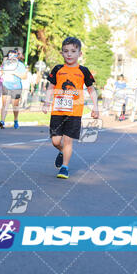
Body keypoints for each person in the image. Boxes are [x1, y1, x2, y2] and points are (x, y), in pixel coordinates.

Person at [43, 37, 99, 179]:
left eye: (73, 51)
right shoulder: (57, 69)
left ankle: (64, 168)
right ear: (62, 53)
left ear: (79, 54)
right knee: (56, 141)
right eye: (66, 51)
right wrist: (46, 102)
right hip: (58, 110)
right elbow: (51, 87)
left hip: (74, 112)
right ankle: (62, 151)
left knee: (68, 140)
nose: (69, 54)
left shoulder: (83, 71)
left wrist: (96, 107)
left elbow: (91, 90)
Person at [0, 50, 28, 129]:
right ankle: (2, 121)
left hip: (16, 87)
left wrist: (14, 73)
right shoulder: (5, 64)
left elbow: (24, 77)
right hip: (6, 85)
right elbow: (1, 71)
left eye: (13, 55)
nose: (11, 57)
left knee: (15, 106)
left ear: (16, 56)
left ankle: (16, 120)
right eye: (9, 55)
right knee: (4, 104)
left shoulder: (20, 65)